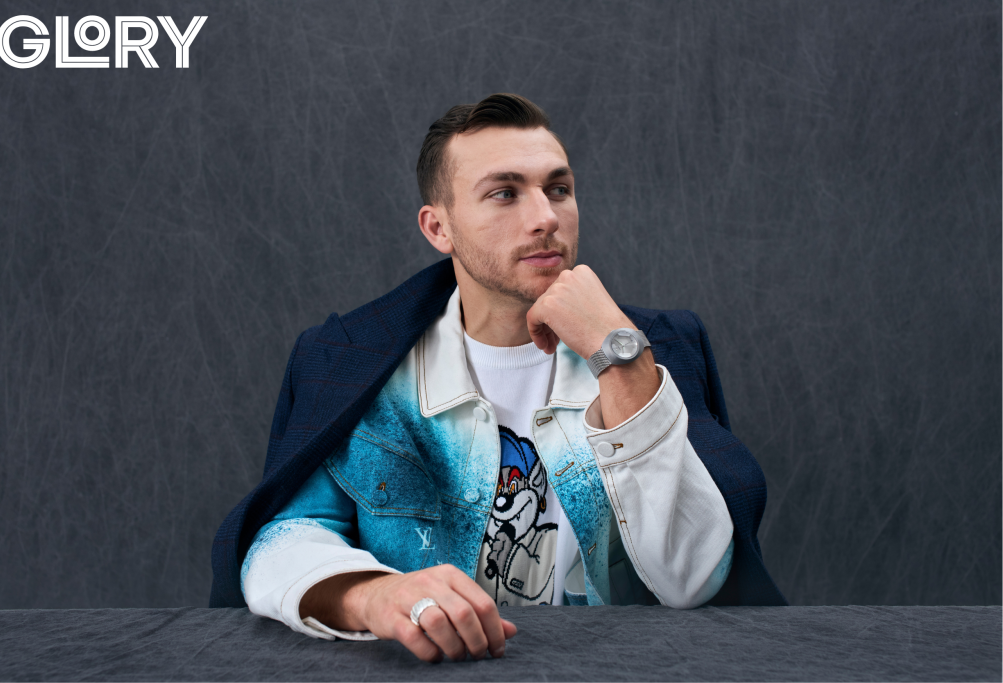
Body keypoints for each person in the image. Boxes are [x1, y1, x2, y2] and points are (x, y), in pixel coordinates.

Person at [210, 93, 786, 663]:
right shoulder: (350, 360)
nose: (545, 218)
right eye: (505, 193)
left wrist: (622, 360)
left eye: (558, 189)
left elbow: (696, 582)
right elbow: (280, 541)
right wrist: (375, 595)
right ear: (440, 228)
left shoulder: (657, 349)